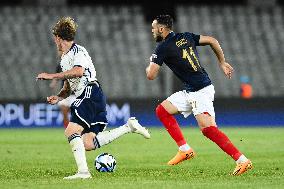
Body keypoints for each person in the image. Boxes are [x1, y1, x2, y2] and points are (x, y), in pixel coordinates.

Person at [36, 17, 150, 179]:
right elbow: (69, 84)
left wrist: (50, 75)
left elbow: (79, 72)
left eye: (55, 38)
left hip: (89, 92)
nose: (54, 41)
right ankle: (128, 127)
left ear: (59, 38)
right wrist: (59, 96)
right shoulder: (64, 58)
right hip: (92, 95)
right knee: (87, 143)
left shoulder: (78, 51)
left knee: (71, 130)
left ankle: (83, 173)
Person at [146, 15, 252, 176]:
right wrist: (222, 62)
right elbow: (212, 40)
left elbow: (151, 75)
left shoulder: (162, 48)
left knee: (208, 129)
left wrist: (150, 64)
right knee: (162, 110)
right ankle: (185, 149)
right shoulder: (186, 36)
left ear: (161, 29)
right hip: (191, 90)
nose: (152, 31)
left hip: (200, 91)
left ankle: (242, 160)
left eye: (154, 28)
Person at [49, 63, 76, 128]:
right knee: (64, 111)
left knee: (75, 113)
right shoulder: (60, 65)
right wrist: (53, 83)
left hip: (75, 94)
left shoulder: (76, 64)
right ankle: (67, 128)